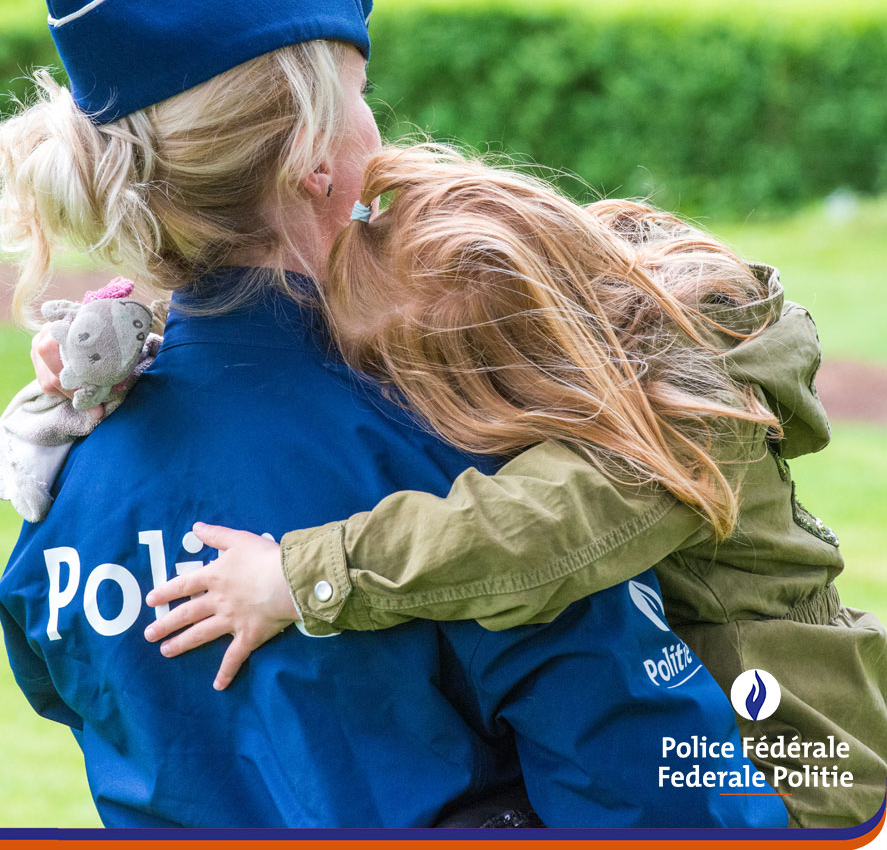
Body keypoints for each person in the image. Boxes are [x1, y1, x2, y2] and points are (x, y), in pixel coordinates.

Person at [0, 0, 785, 830]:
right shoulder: (471, 446)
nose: (381, 135)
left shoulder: (68, 474)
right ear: (315, 157)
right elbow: (666, 800)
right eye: (361, 102)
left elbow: (66, 683)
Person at [118, 146, 887, 829]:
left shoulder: (668, 440)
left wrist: (301, 576)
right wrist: (142, 342)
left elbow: (520, 531)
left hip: (798, 769)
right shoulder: (590, 319)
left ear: (520, 377)